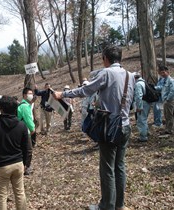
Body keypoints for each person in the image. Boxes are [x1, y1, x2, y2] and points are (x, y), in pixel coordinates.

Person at [53, 45, 135, 210]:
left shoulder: (106, 73)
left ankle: (106, 206)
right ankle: (119, 204)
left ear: (105, 58)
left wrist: (63, 94)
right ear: (120, 58)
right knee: (120, 166)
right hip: (125, 125)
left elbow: (86, 90)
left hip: (109, 127)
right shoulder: (130, 75)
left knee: (107, 168)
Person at [0, 95, 29, 210]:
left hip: (2, 166)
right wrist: (25, 163)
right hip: (18, 163)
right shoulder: (22, 125)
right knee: (20, 193)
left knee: (1, 196)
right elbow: (26, 148)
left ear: (0, 108)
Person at [17, 87, 35, 175]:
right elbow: (28, 120)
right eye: (29, 94)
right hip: (24, 131)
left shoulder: (25, 105)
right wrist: (32, 129)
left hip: (21, 131)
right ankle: (26, 167)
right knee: (28, 150)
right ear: (24, 95)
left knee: (23, 150)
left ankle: (23, 166)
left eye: (32, 94)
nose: (31, 95)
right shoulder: (24, 106)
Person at [133, 73, 151, 142]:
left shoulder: (138, 84)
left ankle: (143, 137)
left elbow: (138, 96)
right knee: (144, 119)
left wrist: (139, 106)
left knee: (141, 120)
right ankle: (146, 132)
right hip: (147, 103)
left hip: (142, 103)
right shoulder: (144, 82)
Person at [159, 66, 174, 135]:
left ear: (168, 72)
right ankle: (168, 128)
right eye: (161, 73)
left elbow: (172, 91)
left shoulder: (171, 80)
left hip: (169, 101)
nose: (162, 74)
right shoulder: (164, 80)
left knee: (169, 115)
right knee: (166, 115)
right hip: (166, 101)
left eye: (163, 72)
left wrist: (167, 99)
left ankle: (169, 130)